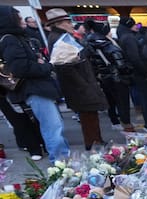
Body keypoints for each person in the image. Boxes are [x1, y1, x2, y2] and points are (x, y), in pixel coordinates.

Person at [0, 6, 68, 162]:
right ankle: (61, 164)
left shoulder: (16, 37)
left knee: (53, 127)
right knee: (52, 128)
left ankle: (61, 162)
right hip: (33, 89)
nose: (22, 21)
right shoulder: (10, 39)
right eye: (18, 17)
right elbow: (20, 68)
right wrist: (46, 66)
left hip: (35, 88)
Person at [46, 8, 108, 151]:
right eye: (68, 22)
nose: (71, 24)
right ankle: (93, 144)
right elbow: (66, 66)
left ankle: (96, 141)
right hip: (79, 85)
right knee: (88, 116)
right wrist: (84, 84)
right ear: (59, 23)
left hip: (81, 83)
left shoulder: (62, 37)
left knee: (91, 114)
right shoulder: (59, 39)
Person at [84, 20, 135, 132]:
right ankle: (127, 126)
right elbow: (121, 66)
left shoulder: (89, 44)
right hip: (117, 79)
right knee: (123, 103)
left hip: (103, 78)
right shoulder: (109, 46)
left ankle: (115, 122)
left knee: (111, 101)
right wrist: (130, 69)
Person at [117, 16, 147, 131]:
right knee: (146, 99)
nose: (137, 26)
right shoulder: (129, 38)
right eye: (134, 24)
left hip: (134, 72)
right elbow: (135, 58)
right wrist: (146, 72)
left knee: (145, 98)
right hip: (139, 73)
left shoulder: (124, 36)